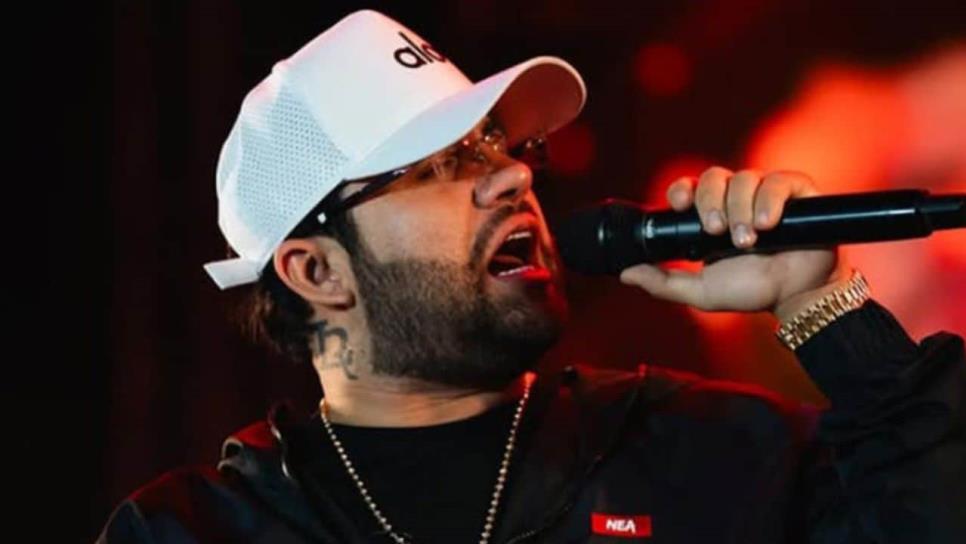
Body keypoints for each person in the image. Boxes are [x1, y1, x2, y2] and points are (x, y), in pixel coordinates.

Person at [97, 9, 965, 544]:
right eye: (439, 166)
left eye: (500, 146)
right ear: (317, 269)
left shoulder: (712, 451)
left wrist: (822, 304)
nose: (513, 175)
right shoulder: (193, 531)